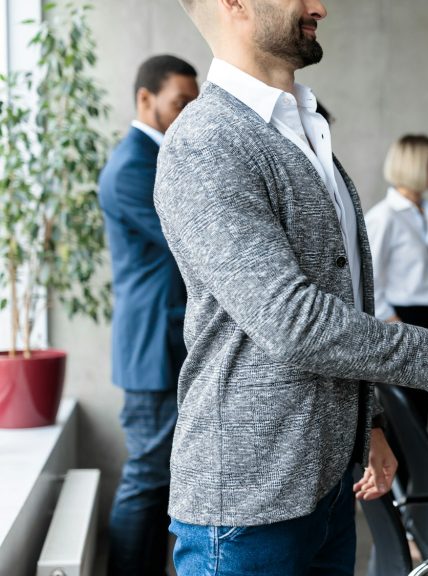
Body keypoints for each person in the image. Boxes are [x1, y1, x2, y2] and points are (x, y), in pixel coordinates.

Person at [158, 2, 428, 574]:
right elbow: (291, 320)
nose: (321, 4)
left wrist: (367, 425)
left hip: (326, 487)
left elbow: (341, 299)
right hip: (249, 504)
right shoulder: (206, 142)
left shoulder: (306, 132)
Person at [98, 54, 199, 576]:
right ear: (145, 100)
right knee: (147, 478)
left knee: (160, 478)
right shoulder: (135, 165)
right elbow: (188, 244)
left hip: (164, 345)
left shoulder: (156, 158)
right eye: (180, 103)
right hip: (153, 348)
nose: (189, 114)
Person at [365, 134, 428, 427]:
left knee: (421, 415)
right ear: (418, 165)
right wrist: (391, 320)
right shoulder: (384, 217)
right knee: (402, 418)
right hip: (400, 319)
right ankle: (395, 475)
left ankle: (412, 476)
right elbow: (367, 275)